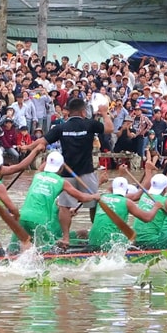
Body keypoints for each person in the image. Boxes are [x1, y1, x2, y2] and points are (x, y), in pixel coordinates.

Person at [25, 97, 112, 237]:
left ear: (68, 112)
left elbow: (42, 140)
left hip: (66, 173)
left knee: (64, 206)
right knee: (93, 203)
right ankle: (97, 235)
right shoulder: (90, 124)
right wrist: (104, 113)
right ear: (83, 112)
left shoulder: (61, 127)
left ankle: (65, 238)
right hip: (87, 171)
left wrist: (28, 147)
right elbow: (109, 128)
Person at [17, 151, 100, 248]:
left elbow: (42, 167)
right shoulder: (61, 182)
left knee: (27, 247)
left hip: (22, 217)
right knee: (49, 249)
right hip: (39, 221)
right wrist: (94, 196)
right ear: (61, 168)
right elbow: (81, 197)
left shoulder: (37, 175)